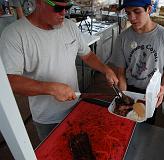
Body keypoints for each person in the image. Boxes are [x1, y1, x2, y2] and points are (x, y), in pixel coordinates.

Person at [0, 0, 118, 141]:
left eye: (67, 7)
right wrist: (50, 88)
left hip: (75, 107)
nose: (64, 13)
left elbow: (87, 55)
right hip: (47, 118)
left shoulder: (69, 26)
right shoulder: (14, 34)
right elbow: (10, 81)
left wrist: (106, 69)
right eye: (57, 8)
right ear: (39, 3)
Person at [110, 0, 164, 124]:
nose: (132, 18)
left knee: (145, 126)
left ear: (149, 9)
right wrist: (123, 94)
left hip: (151, 93)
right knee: (125, 123)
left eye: (137, 11)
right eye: (128, 13)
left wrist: (162, 89)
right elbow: (120, 72)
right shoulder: (123, 38)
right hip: (129, 88)